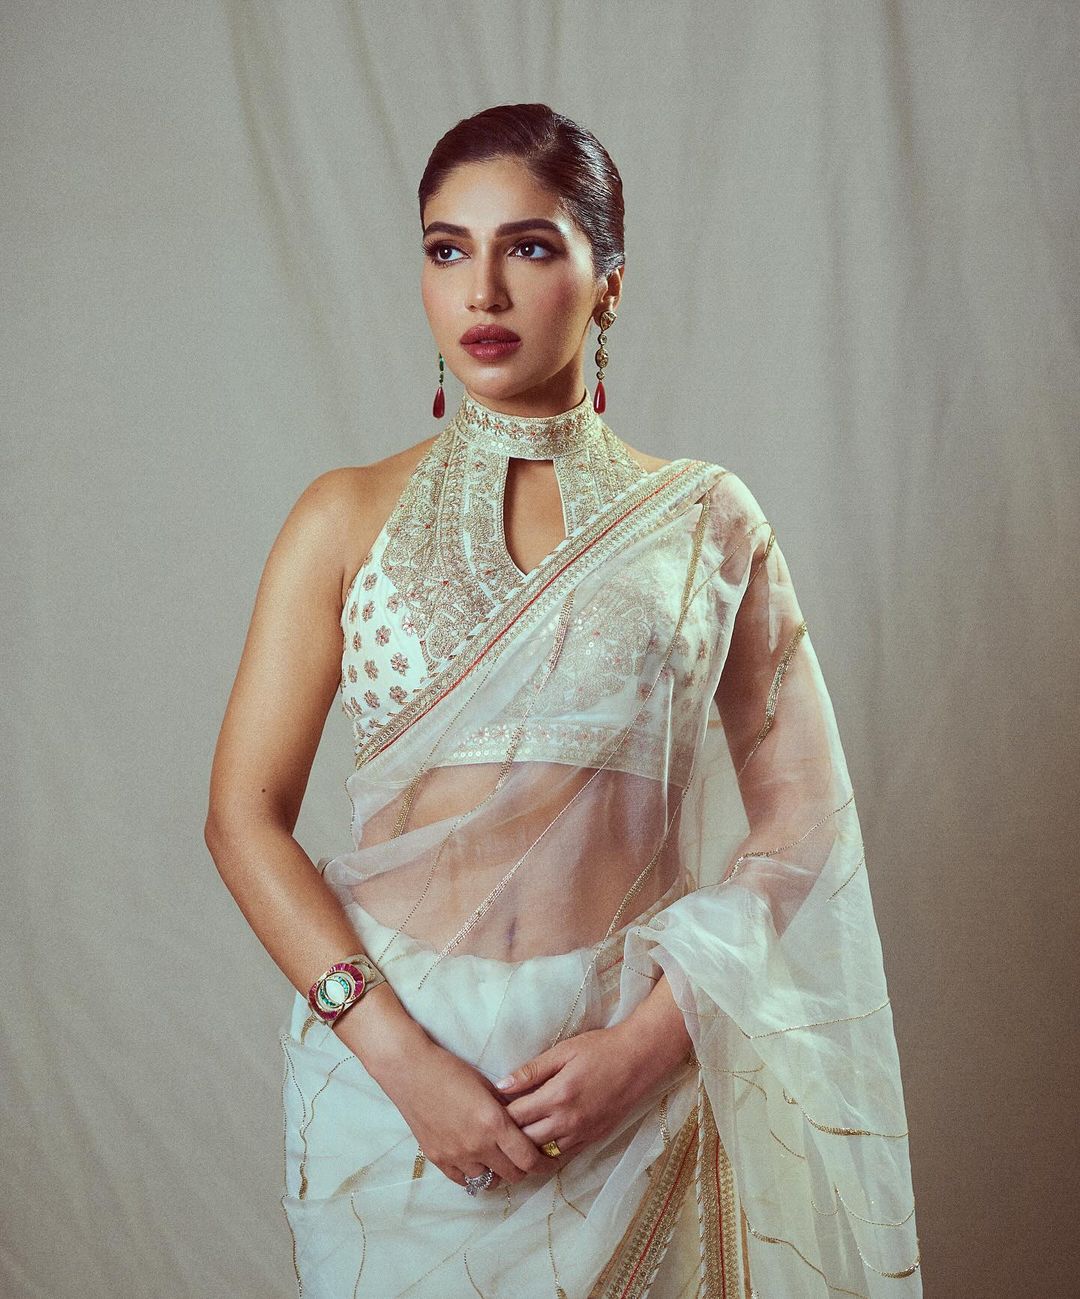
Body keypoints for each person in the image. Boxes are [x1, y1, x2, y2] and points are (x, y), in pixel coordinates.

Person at [204, 102, 921, 1298]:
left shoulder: (705, 522)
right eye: (448, 250)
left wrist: (650, 1044)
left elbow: (805, 819)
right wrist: (401, 1062)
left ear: (609, 284)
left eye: (529, 247)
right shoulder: (341, 518)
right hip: (391, 1090)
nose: (482, 291)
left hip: (627, 1076)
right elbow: (241, 817)